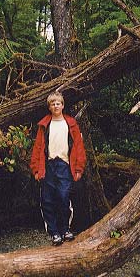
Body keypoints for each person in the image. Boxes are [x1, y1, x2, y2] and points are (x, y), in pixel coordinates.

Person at [30, 91, 86, 246]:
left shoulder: (71, 124)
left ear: (63, 105)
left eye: (58, 103)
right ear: (49, 107)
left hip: (65, 166)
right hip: (47, 166)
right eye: (53, 103)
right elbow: (38, 148)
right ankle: (54, 232)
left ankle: (65, 229)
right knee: (47, 200)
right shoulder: (44, 125)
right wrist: (36, 169)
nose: (56, 106)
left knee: (63, 198)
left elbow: (79, 147)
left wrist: (79, 169)